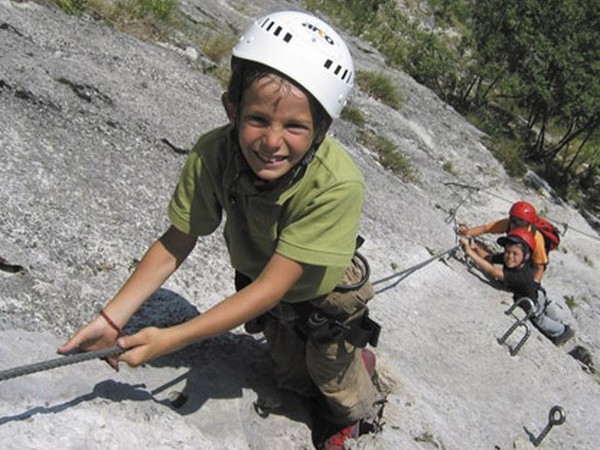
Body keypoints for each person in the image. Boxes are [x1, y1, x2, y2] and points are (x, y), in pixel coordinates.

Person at [59, 10, 382, 450]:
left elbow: (270, 289)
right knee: (289, 380)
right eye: (257, 120)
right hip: (269, 285)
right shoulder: (215, 153)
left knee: (335, 387)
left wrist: (172, 339)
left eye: (295, 127)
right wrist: (110, 319)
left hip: (321, 295)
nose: (272, 142)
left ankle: (356, 401)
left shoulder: (337, 183)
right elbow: (177, 240)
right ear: (231, 107)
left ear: (322, 130)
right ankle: (337, 368)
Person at [459, 228, 574, 346]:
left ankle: (562, 331)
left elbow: (493, 271)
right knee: (545, 310)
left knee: (540, 321)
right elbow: (490, 258)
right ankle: (557, 322)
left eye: (515, 253)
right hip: (538, 294)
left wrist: (470, 252)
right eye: (508, 251)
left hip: (532, 303)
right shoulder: (515, 260)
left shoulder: (522, 276)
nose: (510, 256)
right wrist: (476, 248)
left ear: (526, 255)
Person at [456, 201, 548, 284]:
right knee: (491, 258)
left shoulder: (537, 238)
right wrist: (466, 232)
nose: (515, 225)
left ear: (528, 224)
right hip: (514, 254)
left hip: (527, 263)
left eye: (519, 222)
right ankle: (475, 247)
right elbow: (486, 228)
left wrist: (534, 285)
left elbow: (540, 267)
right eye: (513, 220)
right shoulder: (508, 224)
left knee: (504, 277)